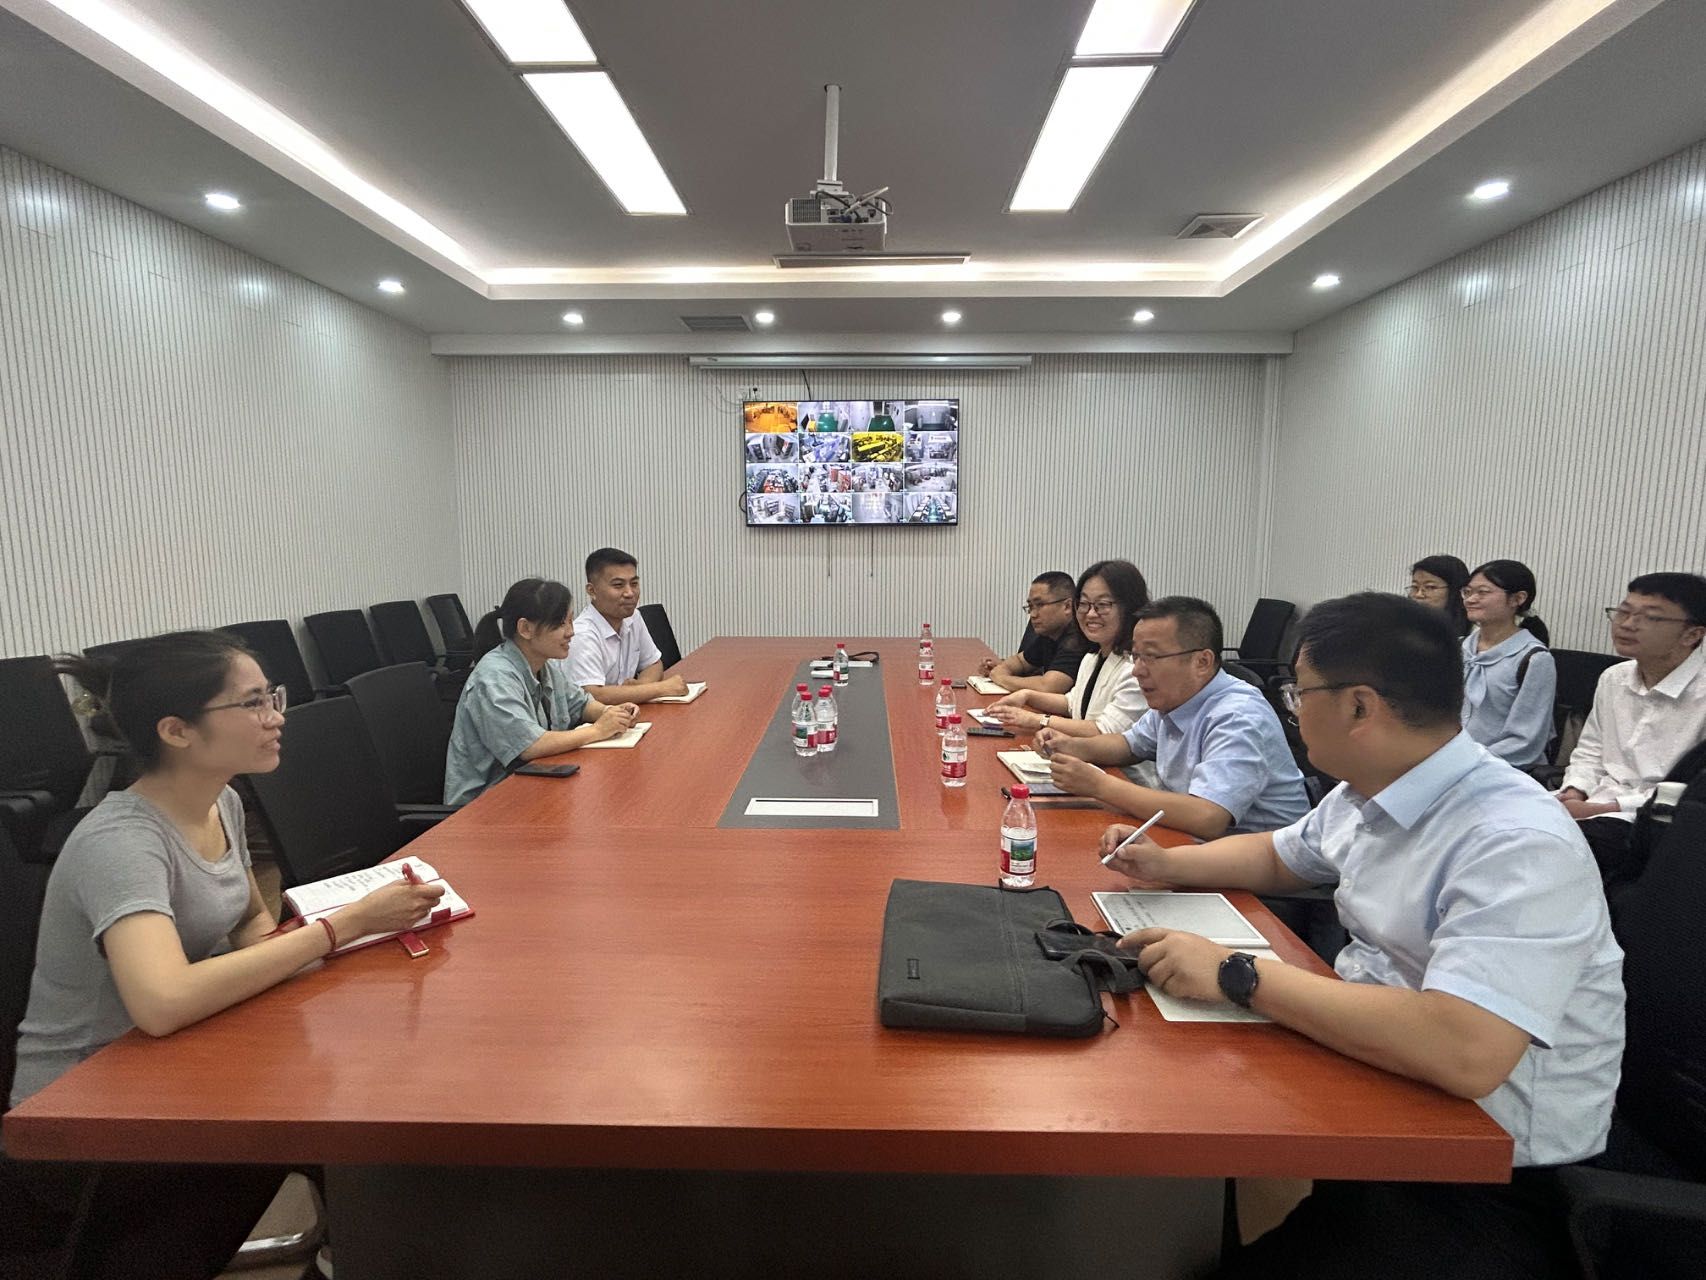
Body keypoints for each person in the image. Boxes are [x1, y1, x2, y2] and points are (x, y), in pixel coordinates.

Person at [1101, 593, 1624, 1279]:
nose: (1292, 709)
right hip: (1386, 1090)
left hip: (1485, 1171)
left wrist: (1236, 973)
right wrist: (1166, 865)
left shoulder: (1513, 840)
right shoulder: (1372, 787)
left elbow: (1466, 1050)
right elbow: (1281, 855)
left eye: (1299, 693)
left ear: (1358, 707)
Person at [5, 632, 444, 1278]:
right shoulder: (120, 844)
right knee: (352, 1119)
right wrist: (343, 926)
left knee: (366, 1080)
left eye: (273, 697)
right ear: (177, 731)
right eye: (252, 703)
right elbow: (162, 1002)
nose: (276, 717)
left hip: (175, 1067)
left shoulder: (223, 803)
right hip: (89, 1122)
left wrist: (333, 943)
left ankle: (352, 1247)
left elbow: (250, 923)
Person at [1037, 597, 1308, 839]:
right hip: (1195, 844)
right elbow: (1129, 745)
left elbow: (1208, 816)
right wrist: (1069, 745)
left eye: (1151, 656)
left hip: (1254, 869)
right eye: (1136, 656)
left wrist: (1100, 785)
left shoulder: (1237, 715)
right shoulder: (1174, 698)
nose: (1137, 670)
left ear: (1202, 662)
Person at [1560, 571, 1706, 889]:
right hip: (1591, 802)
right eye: (1623, 612)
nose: (1627, 624)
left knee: (1554, 849)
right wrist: (1574, 791)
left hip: (1651, 822)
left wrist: (1603, 808)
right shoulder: (1614, 678)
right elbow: (1590, 750)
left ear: (1691, 634)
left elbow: (1691, 792)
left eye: (1650, 617)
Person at [444, 578, 639, 805]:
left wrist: (612, 713)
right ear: (525, 629)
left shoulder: (543, 665)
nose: (571, 632)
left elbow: (581, 703)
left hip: (532, 784)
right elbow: (530, 746)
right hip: (485, 805)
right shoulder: (493, 677)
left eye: (571, 621)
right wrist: (598, 730)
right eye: (560, 624)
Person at [986, 561, 1149, 737]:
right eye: (1084, 603)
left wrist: (1038, 720)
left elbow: (1105, 731)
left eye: (1102, 605)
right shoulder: (1092, 657)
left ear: (1129, 607)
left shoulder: (1137, 668)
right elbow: (1072, 703)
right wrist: (1027, 695)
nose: (1090, 614)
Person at [1460, 559, 1556, 769]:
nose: (1471, 599)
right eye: (1467, 592)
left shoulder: (1534, 658)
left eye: (1483, 592)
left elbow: (1525, 741)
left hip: (1501, 768)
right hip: (1454, 760)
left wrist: (1467, 762)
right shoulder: (1460, 648)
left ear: (1517, 599)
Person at [563, 548, 688, 704]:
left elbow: (654, 664)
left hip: (627, 711)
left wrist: (641, 687)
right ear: (592, 591)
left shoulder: (633, 617)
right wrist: (661, 688)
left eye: (634, 583)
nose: (629, 593)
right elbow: (593, 695)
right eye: (618, 585)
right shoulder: (582, 634)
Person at [975, 571, 1085, 694]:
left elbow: (1049, 687)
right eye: (1031, 606)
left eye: (1040, 605)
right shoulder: (1050, 634)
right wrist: (1000, 668)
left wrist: (1001, 678)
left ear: (1067, 606)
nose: (1032, 614)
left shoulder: (1078, 639)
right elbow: (1020, 661)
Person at [1408, 554, 1471, 638]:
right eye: (1415, 587)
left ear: (1455, 591)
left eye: (1430, 587)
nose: (1418, 594)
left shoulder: (1474, 635)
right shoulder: (1402, 627)